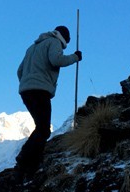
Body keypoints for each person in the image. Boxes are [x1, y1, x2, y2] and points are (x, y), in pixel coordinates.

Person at [15, 25, 82, 181]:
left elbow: (19, 70)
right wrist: (75, 57)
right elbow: (56, 60)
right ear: (65, 37)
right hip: (40, 90)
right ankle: (25, 160)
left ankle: (28, 163)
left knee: (41, 127)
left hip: (26, 91)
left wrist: (26, 82)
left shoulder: (33, 47)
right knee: (44, 129)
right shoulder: (54, 42)